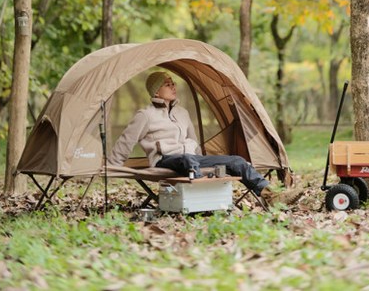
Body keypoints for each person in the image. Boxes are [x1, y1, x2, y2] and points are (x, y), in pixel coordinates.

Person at [109, 71, 303, 206]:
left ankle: (271, 196)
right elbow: (127, 140)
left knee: (237, 161)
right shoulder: (146, 115)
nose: (173, 86)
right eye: (167, 84)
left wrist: (203, 160)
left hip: (191, 159)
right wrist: (113, 166)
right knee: (187, 159)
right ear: (156, 91)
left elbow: (193, 141)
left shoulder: (182, 113)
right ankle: (203, 197)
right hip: (164, 159)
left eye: (173, 82)